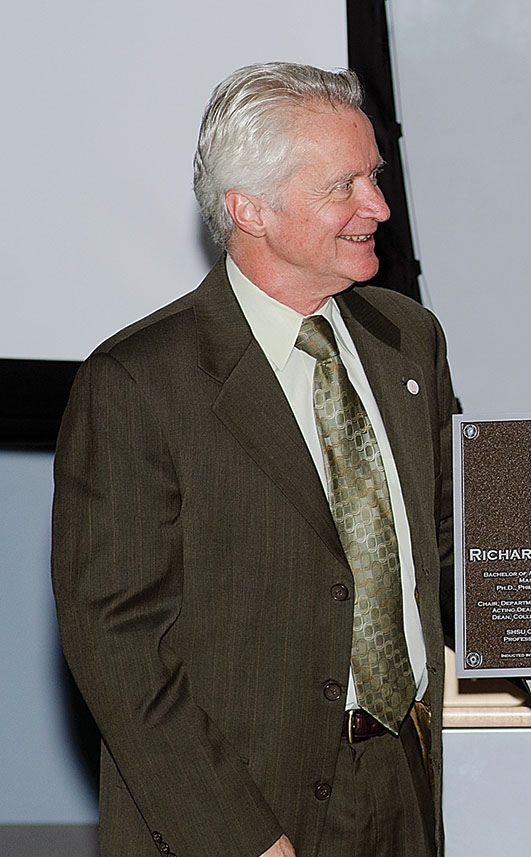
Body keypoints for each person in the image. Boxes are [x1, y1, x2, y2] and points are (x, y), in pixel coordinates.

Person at [52, 63, 455, 857]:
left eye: (374, 176)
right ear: (250, 210)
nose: (378, 206)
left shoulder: (409, 338)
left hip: (402, 786)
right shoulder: (137, 382)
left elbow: (448, 540)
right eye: (344, 186)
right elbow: (119, 646)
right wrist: (239, 838)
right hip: (240, 813)